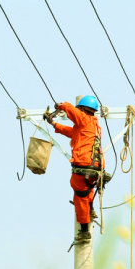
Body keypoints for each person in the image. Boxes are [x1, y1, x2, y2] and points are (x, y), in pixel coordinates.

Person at [44, 95, 104, 245]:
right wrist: (53, 123)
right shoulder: (92, 126)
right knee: (87, 191)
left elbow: (73, 112)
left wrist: (62, 105)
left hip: (84, 166)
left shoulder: (84, 119)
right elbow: (72, 133)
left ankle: (84, 231)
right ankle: (90, 210)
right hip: (94, 168)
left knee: (80, 197)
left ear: (83, 109)